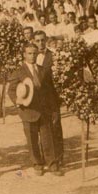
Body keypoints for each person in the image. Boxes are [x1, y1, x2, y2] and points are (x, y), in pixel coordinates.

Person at [8, 43, 62, 176]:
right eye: (29, 53)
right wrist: (18, 100)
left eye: (34, 53)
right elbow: (11, 90)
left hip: (44, 109)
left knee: (47, 137)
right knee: (32, 139)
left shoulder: (43, 70)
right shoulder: (19, 71)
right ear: (24, 55)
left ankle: (52, 163)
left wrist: (54, 108)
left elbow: (50, 90)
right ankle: (37, 163)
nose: (32, 56)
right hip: (28, 110)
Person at [34, 31, 64, 167]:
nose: (40, 43)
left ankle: (59, 157)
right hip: (37, 99)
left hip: (51, 97)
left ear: (46, 40)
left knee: (55, 126)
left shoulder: (53, 56)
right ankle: (46, 158)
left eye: (42, 40)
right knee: (42, 128)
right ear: (34, 42)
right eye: (37, 41)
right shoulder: (31, 56)